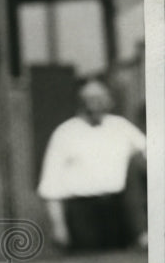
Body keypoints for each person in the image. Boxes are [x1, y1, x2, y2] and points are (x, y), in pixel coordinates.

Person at [38, 77, 147, 251]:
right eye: (89, 98)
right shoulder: (65, 133)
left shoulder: (122, 127)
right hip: (82, 214)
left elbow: (149, 157)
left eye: (100, 97)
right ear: (79, 101)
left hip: (118, 210)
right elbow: (51, 188)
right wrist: (58, 227)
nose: (95, 103)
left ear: (109, 100)